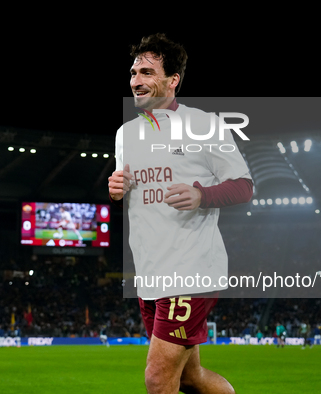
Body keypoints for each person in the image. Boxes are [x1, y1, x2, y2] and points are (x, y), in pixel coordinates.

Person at [109, 33, 253, 394]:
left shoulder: (204, 125)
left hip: (191, 270)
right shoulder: (125, 134)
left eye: (146, 72)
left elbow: (244, 186)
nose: (135, 81)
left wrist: (200, 194)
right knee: (191, 377)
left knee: (158, 379)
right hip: (150, 274)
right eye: (133, 72)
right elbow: (129, 189)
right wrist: (115, 189)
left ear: (172, 80)